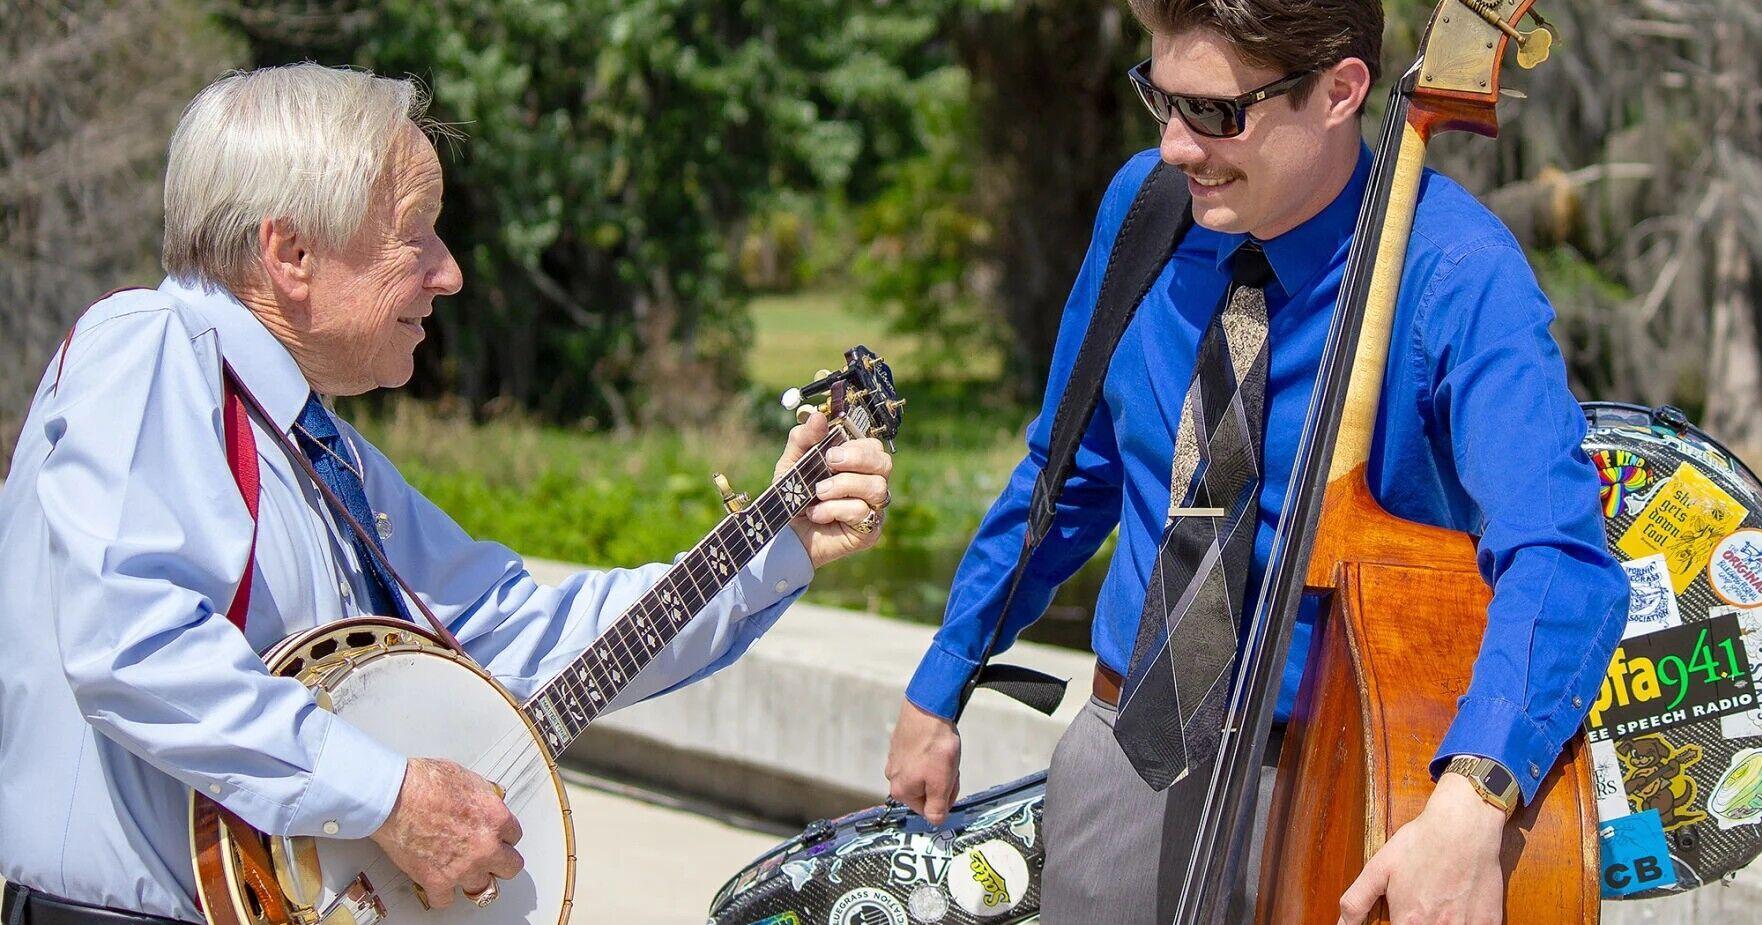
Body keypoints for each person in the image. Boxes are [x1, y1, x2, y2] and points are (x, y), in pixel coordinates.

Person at [0, 64, 894, 925]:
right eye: (416, 230)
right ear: (292, 252)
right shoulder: (148, 344)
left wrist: (776, 537)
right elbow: (129, 640)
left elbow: (523, 638)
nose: (450, 271)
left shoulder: (328, 456)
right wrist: (388, 797)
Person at [882, 1, 1627, 922]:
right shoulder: (1144, 207)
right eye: (1161, 99)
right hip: (1131, 760)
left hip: (1347, 786)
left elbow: (1558, 555)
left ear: (1339, 93)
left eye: (1216, 113)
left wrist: (1474, 798)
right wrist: (944, 676)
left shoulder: (1458, 271)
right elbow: (1069, 467)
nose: (1177, 148)